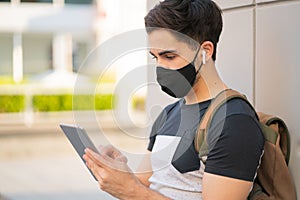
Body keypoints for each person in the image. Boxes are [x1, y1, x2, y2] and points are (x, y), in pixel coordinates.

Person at [83, 0, 265, 199]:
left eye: (169, 56)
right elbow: (147, 186)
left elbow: (138, 193)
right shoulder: (170, 113)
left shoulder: (234, 121)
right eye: (155, 57)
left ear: (205, 51)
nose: (160, 67)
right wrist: (121, 171)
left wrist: (132, 191)